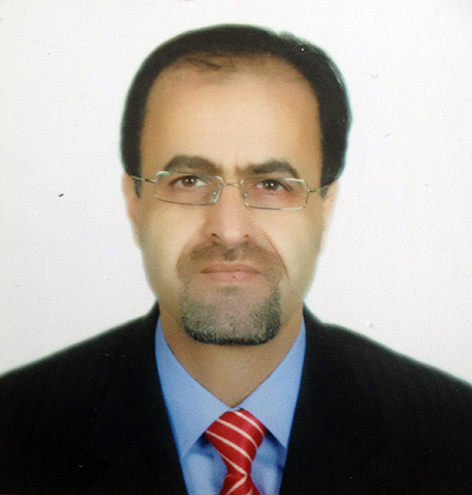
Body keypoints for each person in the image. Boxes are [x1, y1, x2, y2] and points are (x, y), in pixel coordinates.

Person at [1, 24, 471, 495]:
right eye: (188, 181)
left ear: (325, 207)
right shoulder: (14, 431)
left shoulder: (453, 435)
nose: (228, 230)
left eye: (271, 185)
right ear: (134, 202)